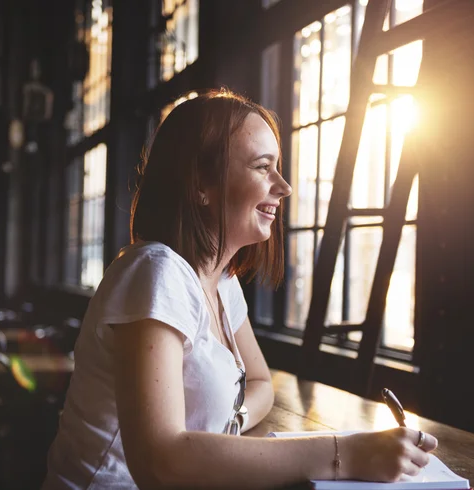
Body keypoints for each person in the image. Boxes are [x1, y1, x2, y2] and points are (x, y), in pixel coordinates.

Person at [42, 89, 438, 489]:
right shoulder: (156, 273)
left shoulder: (222, 281)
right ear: (201, 183)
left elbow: (261, 384)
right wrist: (345, 453)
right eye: (262, 167)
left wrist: (226, 429)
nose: (283, 187)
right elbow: (159, 463)